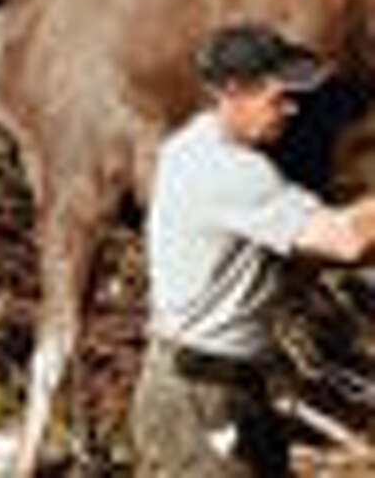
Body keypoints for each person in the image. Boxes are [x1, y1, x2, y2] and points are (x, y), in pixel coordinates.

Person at [131, 24, 375, 478]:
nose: (292, 107)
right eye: (278, 96)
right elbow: (346, 240)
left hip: (229, 384)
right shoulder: (225, 169)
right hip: (196, 400)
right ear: (232, 91)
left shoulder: (201, 145)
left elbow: (317, 248)